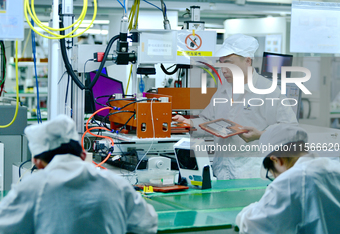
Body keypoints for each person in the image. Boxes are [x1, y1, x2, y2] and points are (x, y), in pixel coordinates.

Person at [0, 114, 158, 234]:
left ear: (37, 162)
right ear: (83, 154)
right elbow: (148, 223)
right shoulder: (116, 183)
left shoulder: (33, 188)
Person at [173, 33, 297, 180]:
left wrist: (261, 134)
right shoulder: (224, 90)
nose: (223, 70)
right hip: (221, 171)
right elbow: (208, 121)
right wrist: (188, 123)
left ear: (248, 61)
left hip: (251, 174)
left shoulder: (268, 90)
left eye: (229, 63)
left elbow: (290, 131)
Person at [236, 123, 340, 234]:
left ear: (276, 160)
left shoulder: (292, 180)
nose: (276, 179)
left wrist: (252, 208)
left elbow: (251, 225)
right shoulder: (334, 167)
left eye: (273, 174)